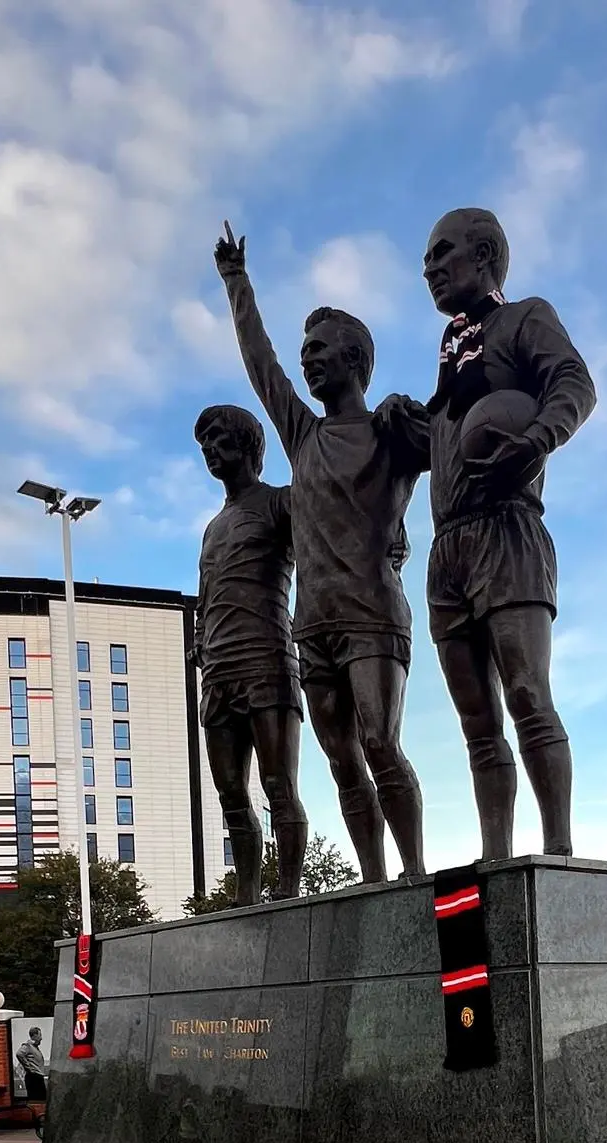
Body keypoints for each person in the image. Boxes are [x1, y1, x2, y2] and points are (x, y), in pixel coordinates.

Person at [378, 207, 596, 859]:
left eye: (442, 253)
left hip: (508, 534)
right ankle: (496, 855)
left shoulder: (524, 318)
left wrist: (534, 440)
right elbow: (440, 446)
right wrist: (402, 421)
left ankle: (557, 850)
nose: (430, 268)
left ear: (484, 256)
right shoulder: (451, 359)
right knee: (477, 723)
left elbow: (574, 383)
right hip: (449, 553)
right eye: (425, 259)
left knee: (528, 693)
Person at [214, 221, 426, 883]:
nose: (307, 359)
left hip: (371, 616)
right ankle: (373, 880)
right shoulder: (302, 435)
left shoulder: (392, 431)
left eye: (321, 349)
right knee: (341, 762)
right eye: (305, 349)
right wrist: (236, 283)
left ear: (355, 360)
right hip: (313, 627)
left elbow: (459, 439)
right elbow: (261, 365)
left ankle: (415, 874)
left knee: (379, 743)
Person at [192, 403, 308, 904]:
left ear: (246, 444)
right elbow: (204, 594)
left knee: (277, 782)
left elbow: (330, 542)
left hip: (268, 660)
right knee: (230, 794)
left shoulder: (281, 503)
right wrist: (200, 643)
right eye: (204, 445)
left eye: (218, 439)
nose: (210, 450)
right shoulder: (212, 527)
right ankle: (246, 892)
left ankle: (287, 886)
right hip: (218, 670)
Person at [16, 1027, 47, 1102]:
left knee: (42, 1099)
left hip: (38, 1077)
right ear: (35, 1036)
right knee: (36, 1101)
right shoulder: (28, 1046)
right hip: (34, 1078)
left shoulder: (34, 1047)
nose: (41, 1038)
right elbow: (19, 1054)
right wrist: (29, 1068)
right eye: (40, 1035)